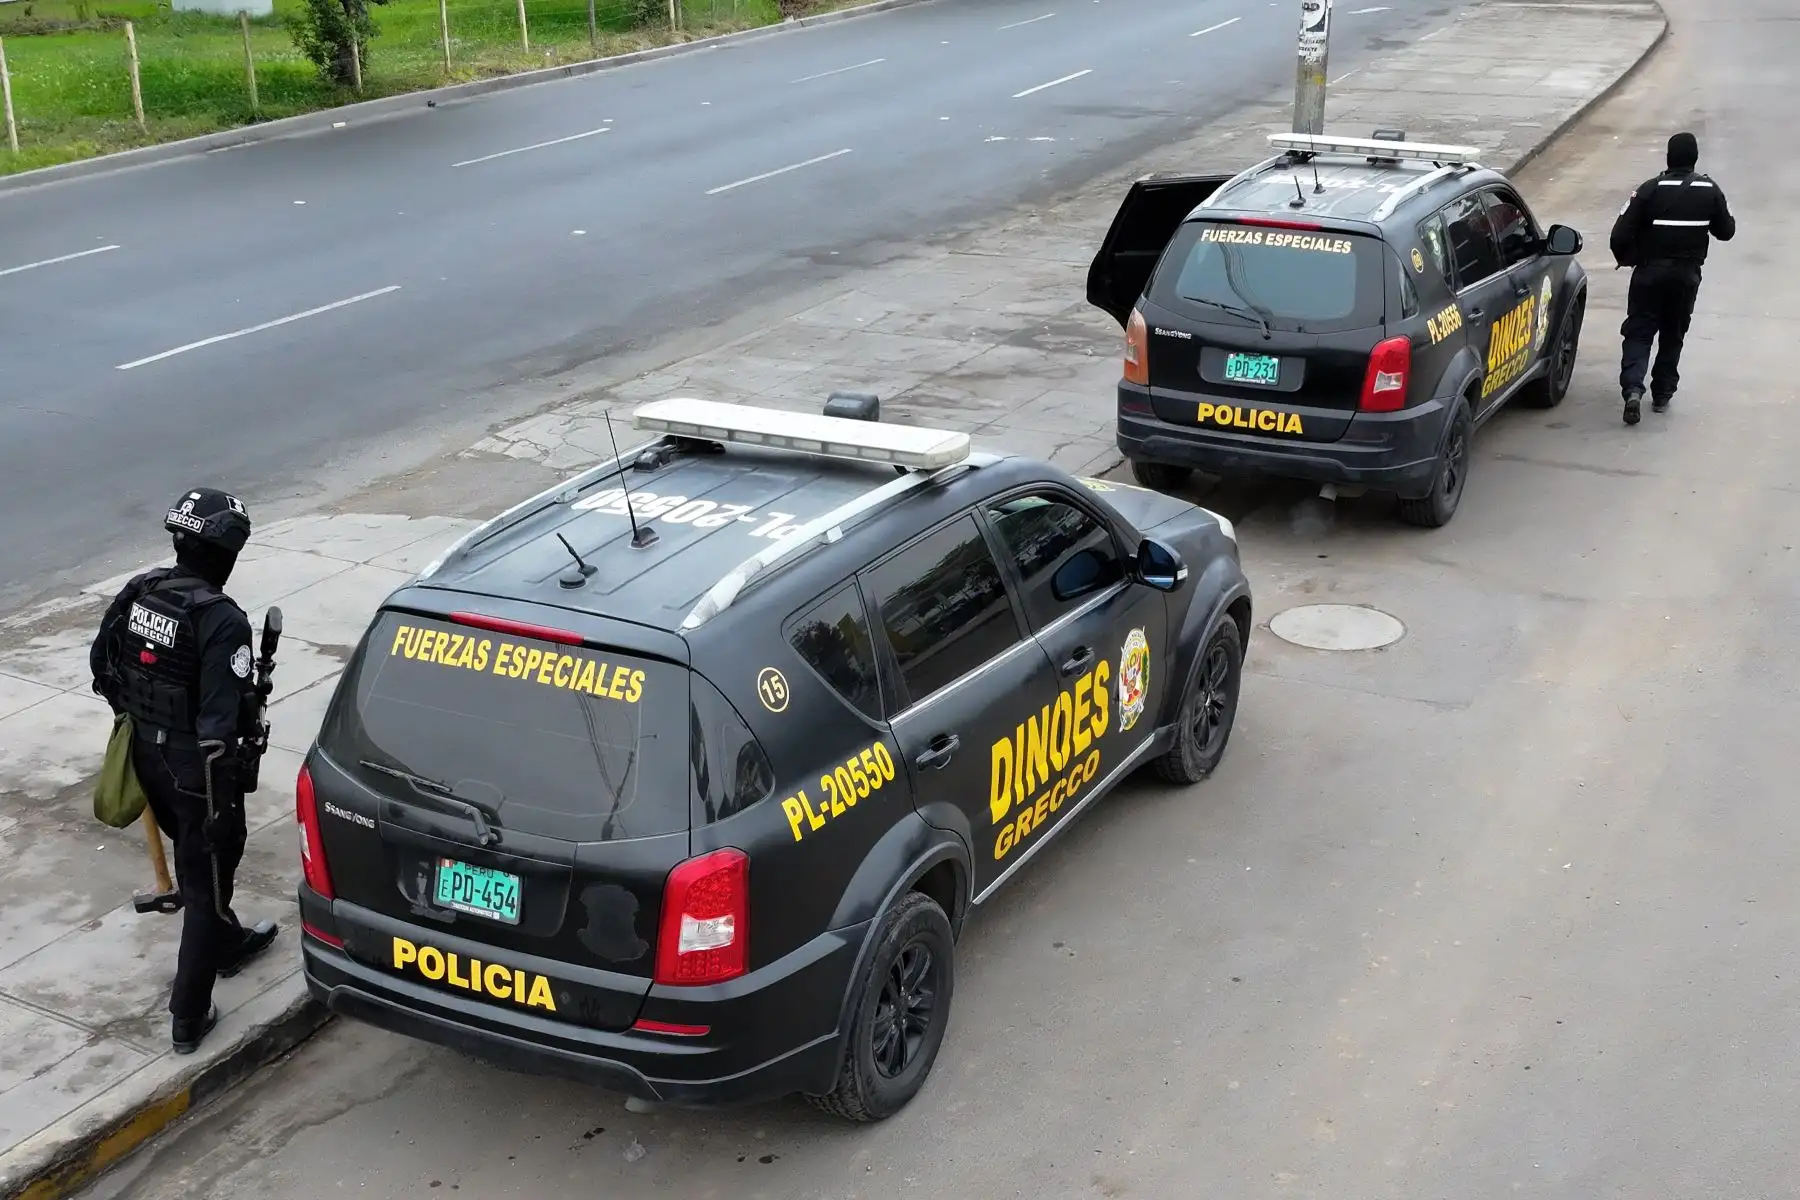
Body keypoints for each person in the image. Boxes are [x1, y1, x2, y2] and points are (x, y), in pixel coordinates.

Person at [89, 488, 279, 1054]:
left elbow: (102, 667)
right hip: (197, 772)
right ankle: (189, 1014)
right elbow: (220, 730)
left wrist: (143, 715)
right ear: (227, 551)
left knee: (200, 869)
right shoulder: (222, 622)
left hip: (147, 758)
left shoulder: (142, 590)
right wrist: (222, 803)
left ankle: (226, 941)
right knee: (208, 875)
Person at [1609, 131, 1736, 425]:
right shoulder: (1710, 190)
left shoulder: (1649, 189)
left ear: (1668, 157)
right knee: (1673, 332)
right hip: (1686, 276)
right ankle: (1663, 393)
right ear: (1694, 159)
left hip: (1649, 273)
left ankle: (1632, 389)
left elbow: (1619, 234)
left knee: (1639, 331)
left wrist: (1628, 258)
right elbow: (1726, 232)